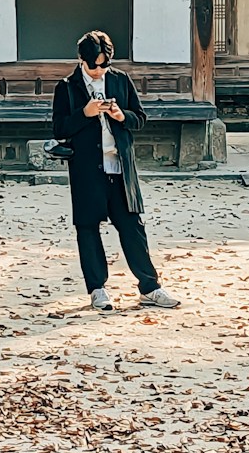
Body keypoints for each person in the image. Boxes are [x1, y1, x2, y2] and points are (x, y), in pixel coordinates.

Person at [50, 29, 180, 312]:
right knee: (88, 228)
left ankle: (150, 286)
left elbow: (140, 119)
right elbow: (59, 127)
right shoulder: (67, 86)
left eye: (103, 65)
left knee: (133, 227)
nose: (98, 71)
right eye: (93, 66)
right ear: (81, 60)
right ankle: (97, 289)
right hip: (86, 168)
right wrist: (84, 114)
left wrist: (121, 116)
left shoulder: (121, 80)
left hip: (120, 167)